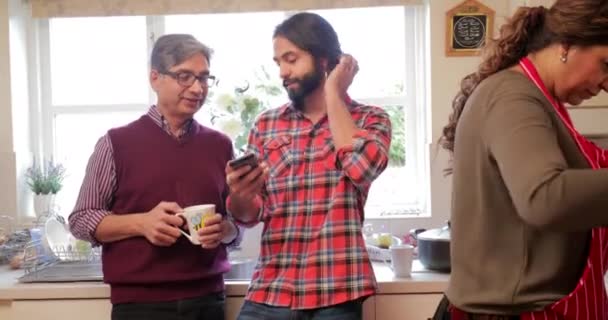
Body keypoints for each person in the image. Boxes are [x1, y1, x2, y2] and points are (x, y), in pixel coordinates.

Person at [434, 1, 608, 319]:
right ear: (567, 45)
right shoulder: (512, 95)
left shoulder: (539, 100)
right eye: (606, 64)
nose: (607, 84)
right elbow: (545, 196)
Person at [224, 12, 392, 320]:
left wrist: (332, 94)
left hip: (337, 293)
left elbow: (360, 169)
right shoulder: (266, 124)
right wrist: (240, 194)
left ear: (325, 60)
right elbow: (249, 216)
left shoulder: (371, 119)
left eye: (291, 59)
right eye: (278, 62)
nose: (283, 72)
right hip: (271, 289)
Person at [69, 33, 242, 320]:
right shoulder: (115, 143)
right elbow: (81, 219)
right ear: (155, 78)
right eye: (185, 76)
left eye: (204, 78)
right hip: (139, 306)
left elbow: (237, 222)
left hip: (207, 301)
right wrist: (142, 223)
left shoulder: (221, 145)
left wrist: (227, 230)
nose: (197, 88)